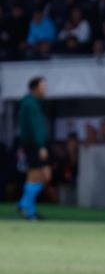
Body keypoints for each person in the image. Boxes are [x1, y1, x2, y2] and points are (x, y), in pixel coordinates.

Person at [16, 77, 50, 220]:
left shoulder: (28, 103)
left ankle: (26, 206)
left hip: (31, 144)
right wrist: (41, 145)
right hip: (35, 145)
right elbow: (35, 127)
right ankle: (28, 209)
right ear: (35, 88)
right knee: (39, 176)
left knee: (40, 176)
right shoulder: (31, 104)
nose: (45, 89)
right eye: (43, 86)